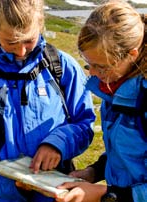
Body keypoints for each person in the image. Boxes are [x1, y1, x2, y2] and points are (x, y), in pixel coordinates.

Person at [0, 0, 95, 202]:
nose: (21, 51)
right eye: (11, 42)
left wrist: (58, 144)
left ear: (40, 23)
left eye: (29, 40)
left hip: (56, 195)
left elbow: (84, 123)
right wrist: (8, 186)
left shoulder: (61, 65)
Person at [56, 1, 147, 202]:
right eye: (89, 64)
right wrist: (94, 172)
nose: (94, 74)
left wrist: (106, 195)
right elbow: (127, 153)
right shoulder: (114, 86)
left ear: (132, 55)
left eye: (102, 67)